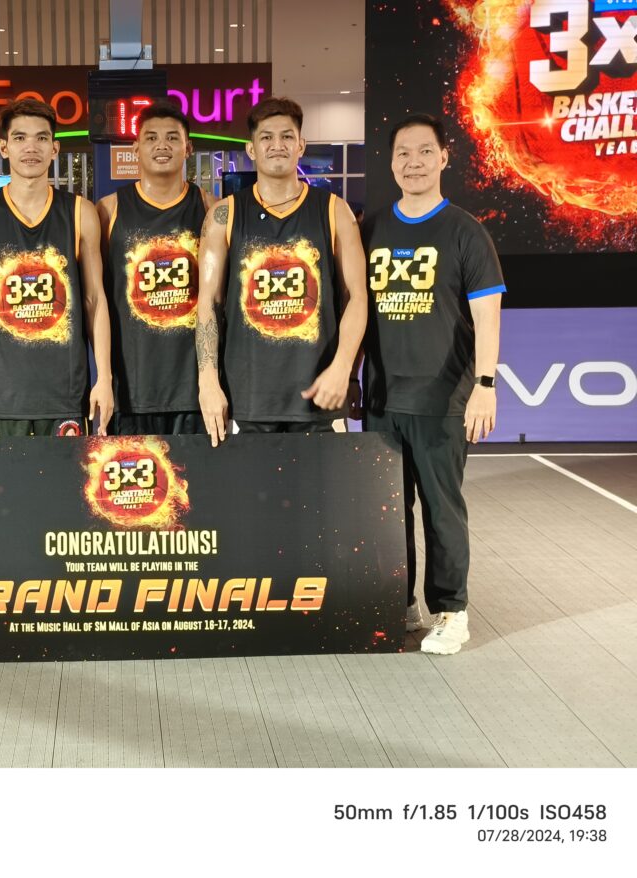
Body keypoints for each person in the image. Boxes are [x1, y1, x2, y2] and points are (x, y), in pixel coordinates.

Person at [361, 112, 504, 656]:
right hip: (382, 400)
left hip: (443, 400)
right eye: (403, 152)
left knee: (442, 511)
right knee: (388, 510)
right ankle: (400, 603)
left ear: (444, 157)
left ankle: (451, 610)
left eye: (425, 151)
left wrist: (485, 385)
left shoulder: (465, 231)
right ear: (391, 161)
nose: (413, 162)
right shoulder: (372, 227)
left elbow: (487, 318)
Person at [196, 96, 367, 445]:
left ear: (301, 145)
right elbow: (208, 305)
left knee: (323, 484)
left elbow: (357, 297)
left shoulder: (335, 211)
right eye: (267, 137)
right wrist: (208, 380)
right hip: (248, 399)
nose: (277, 145)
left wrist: (343, 369)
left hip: (320, 396)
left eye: (287, 136)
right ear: (251, 149)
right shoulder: (224, 215)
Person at [0, 98, 113, 439]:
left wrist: (105, 378)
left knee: (67, 478)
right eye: (20, 137)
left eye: (41, 138)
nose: (31, 147)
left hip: (65, 396)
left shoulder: (80, 212)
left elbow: (95, 300)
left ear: (54, 149)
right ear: (4, 147)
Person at [96, 100, 213, 435]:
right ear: (135, 148)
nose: (162, 145)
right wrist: (102, 378)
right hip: (130, 392)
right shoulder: (108, 210)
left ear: (188, 147)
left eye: (172, 138)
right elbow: (95, 298)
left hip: (195, 392)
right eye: (151, 138)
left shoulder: (211, 209)